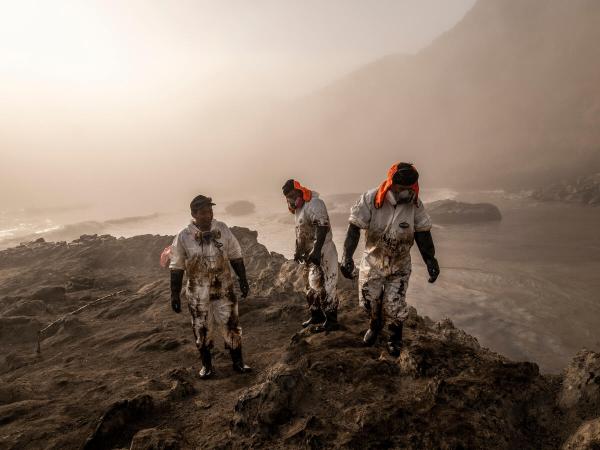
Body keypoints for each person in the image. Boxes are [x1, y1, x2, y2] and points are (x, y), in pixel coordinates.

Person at [339, 163, 440, 356]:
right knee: (369, 301)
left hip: (399, 264)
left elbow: (423, 233)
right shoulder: (370, 199)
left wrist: (431, 260)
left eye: (409, 189)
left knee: (394, 304)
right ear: (391, 184)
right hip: (373, 262)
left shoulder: (415, 205)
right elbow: (354, 227)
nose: (405, 192)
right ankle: (375, 325)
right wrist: (347, 256)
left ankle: (395, 337)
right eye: (401, 189)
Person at [169, 194, 251, 378]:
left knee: (231, 324)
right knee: (201, 327)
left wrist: (243, 280)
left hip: (223, 288)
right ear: (194, 214)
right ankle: (206, 366)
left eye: (210, 211)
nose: (208, 215)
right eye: (203, 212)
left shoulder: (222, 229)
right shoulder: (184, 237)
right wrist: (174, 295)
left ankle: (238, 362)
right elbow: (176, 266)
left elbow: (235, 254)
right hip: (198, 292)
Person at [282, 179, 339, 332]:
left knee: (328, 285)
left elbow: (322, 226)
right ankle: (317, 316)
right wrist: (298, 250)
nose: (292, 199)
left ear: (301, 191)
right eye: (289, 197)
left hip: (324, 250)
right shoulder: (298, 209)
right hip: (309, 254)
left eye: (294, 195)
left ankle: (332, 320)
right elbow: (301, 233)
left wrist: (317, 249)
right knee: (311, 286)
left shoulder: (315, 203)